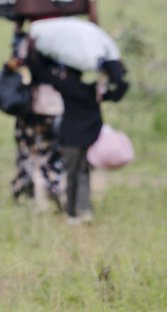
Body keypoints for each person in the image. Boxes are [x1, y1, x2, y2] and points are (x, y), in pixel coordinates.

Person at [33, 59, 127, 224]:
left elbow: (41, 74)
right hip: (90, 138)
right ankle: (84, 210)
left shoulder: (66, 87)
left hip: (71, 139)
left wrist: (36, 56)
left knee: (71, 174)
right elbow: (118, 93)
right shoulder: (92, 89)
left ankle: (72, 214)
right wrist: (114, 71)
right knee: (84, 173)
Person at [7, 22, 68, 213]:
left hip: (31, 108)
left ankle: (26, 193)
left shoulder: (26, 43)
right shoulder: (64, 43)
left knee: (27, 152)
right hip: (55, 107)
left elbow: (15, 64)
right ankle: (53, 188)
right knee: (51, 154)